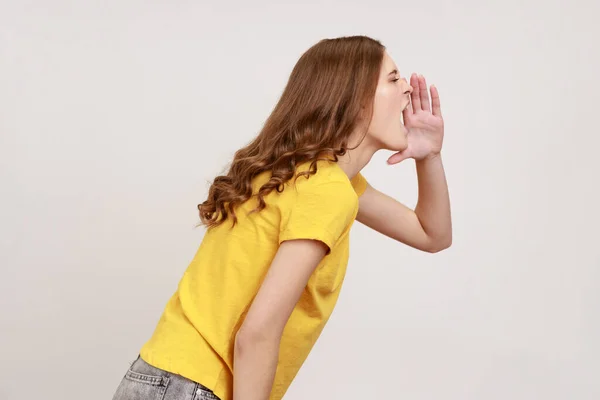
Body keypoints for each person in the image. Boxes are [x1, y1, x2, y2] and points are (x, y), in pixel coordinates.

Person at [112, 35, 452, 400]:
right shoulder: (327, 190)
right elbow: (257, 333)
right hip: (195, 387)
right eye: (393, 78)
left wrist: (429, 155)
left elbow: (432, 235)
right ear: (353, 100)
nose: (407, 89)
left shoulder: (302, 173)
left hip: (158, 376)